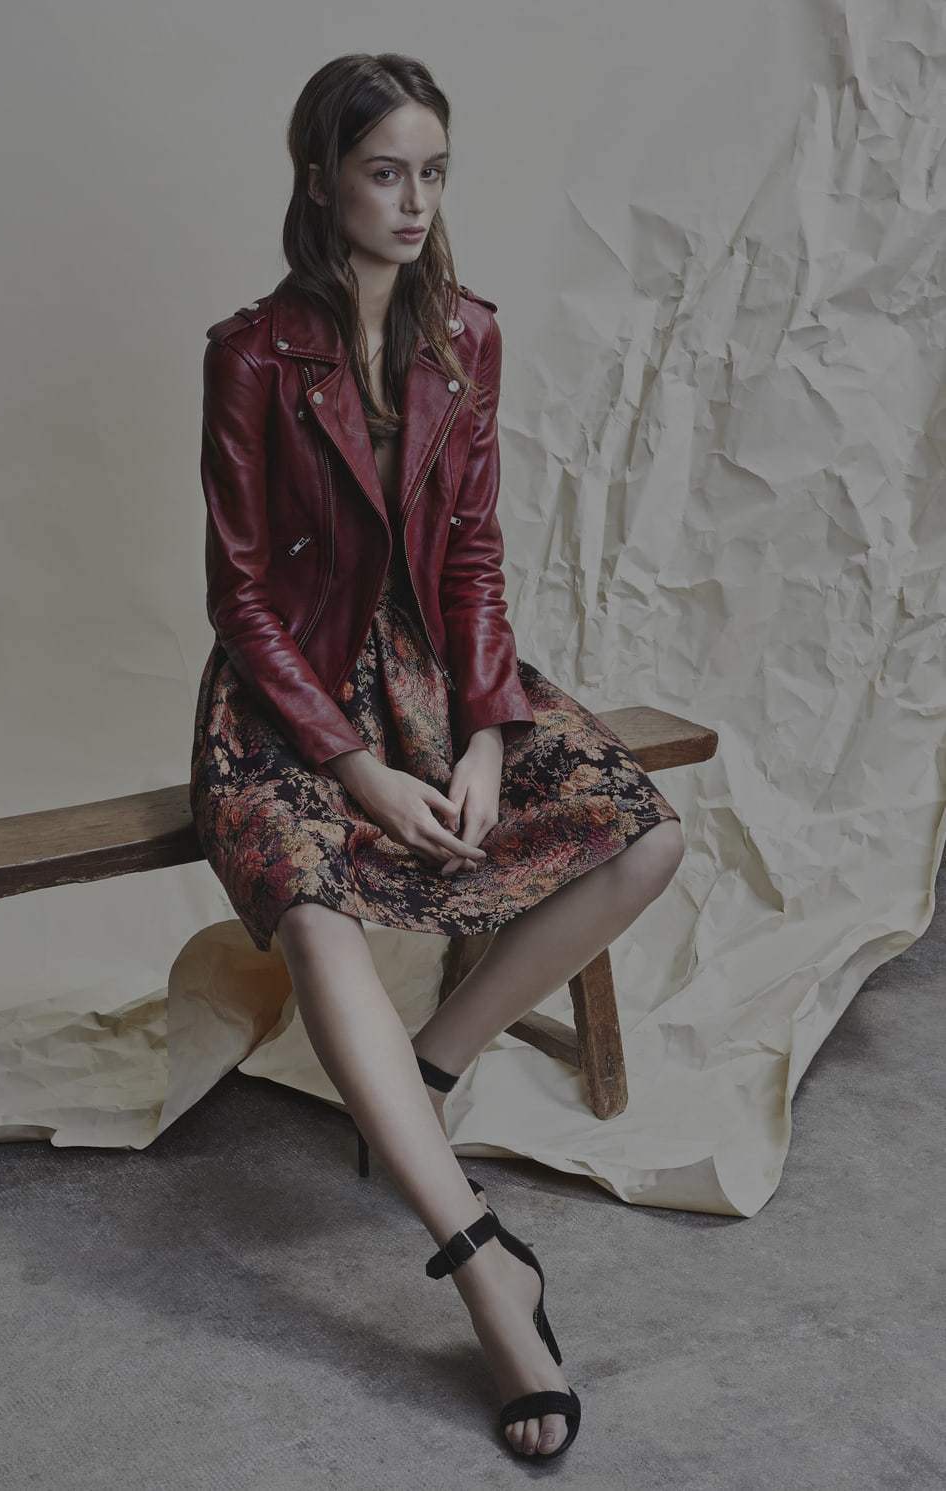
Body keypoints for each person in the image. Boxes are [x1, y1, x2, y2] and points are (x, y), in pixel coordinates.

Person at [189, 52, 684, 1461]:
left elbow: (471, 554)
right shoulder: (250, 353)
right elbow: (242, 598)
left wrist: (482, 731)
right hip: (286, 702)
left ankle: (427, 1076)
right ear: (321, 181)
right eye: (384, 173)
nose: (414, 202)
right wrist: (353, 767)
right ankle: (481, 1267)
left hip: (435, 680)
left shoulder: (467, 334)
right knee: (314, 909)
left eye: (433, 173)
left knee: (647, 834)